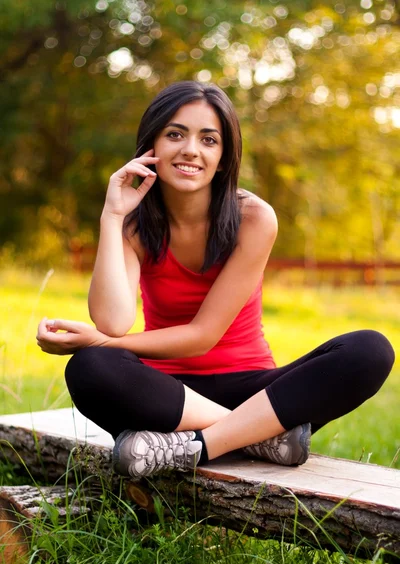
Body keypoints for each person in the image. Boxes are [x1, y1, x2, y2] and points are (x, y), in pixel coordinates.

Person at [36, 81, 395, 479]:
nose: (191, 149)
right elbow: (113, 323)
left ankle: (200, 446)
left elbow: (203, 333)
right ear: (150, 146)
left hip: (259, 393)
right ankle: (260, 439)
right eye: (175, 134)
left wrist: (102, 340)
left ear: (223, 158)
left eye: (209, 139)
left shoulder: (254, 218)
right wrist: (112, 216)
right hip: (168, 396)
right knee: (90, 367)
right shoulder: (134, 225)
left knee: (369, 350)